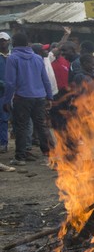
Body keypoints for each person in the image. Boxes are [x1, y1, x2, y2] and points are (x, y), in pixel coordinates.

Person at [2, 32, 53, 166]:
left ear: (14, 42)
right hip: (40, 97)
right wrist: (49, 96)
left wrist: (6, 100)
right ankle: (49, 155)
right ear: (27, 43)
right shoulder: (37, 58)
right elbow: (45, 79)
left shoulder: (13, 58)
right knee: (41, 126)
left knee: (21, 127)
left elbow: (10, 83)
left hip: (22, 98)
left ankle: (20, 157)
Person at [0, 32, 10, 154]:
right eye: (0, 40)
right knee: (3, 118)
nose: (2, 42)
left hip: (16, 93)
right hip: (1, 92)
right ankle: (3, 143)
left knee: (21, 121)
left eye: (4, 40)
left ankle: (25, 146)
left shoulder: (13, 56)